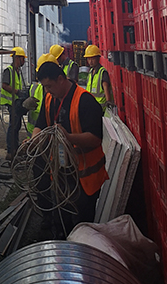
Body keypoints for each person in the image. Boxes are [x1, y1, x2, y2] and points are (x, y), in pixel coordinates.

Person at [31, 59, 109, 231]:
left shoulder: (85, 101)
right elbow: (41, 124)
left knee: (83, 222)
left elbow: (95, 138)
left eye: (49, 86)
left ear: (60, 79)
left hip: (84, 177)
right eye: (44, 87)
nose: (47, 90)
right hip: (60, 173)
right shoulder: (50, 98)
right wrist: (34, 140)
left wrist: (68, 138)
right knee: (61, 217)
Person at [0, 46, 28, 159]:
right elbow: (4, 85)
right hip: (11, 103)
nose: (24, 61)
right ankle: (10, 151)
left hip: (16, 103)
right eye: (23, 58)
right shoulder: (9, 71)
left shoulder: (17, 71)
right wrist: (17, 92)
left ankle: (15, 148)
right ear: (17, 58)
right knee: (13, 127)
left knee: (17, 126)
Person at [84, 44, 113, 111]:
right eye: (88, 59)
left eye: (92, 58)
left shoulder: (102, 72)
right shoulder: (90, 72)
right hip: (91, 108)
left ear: (98, 58)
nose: (90, 61)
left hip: (101, 109)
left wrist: (108, 102)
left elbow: (106, 89)